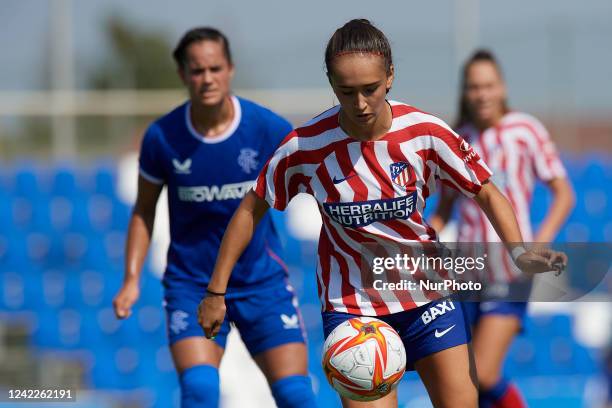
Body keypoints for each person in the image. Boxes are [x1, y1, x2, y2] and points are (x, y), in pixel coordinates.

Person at [199, 20, 567, 408]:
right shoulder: (305, 147)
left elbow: (486, 191)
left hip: (429, 295)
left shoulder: (426, 133)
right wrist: (215, 291)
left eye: (370, 89)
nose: (360, 104)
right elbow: (249, 209)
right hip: (353, 312)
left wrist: (517, 250)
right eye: (347, 91)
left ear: (390, 76)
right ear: (331, 83)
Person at [112, 27, 317, 408]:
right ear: (183, 75)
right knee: (201, 391)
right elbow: (143, 209)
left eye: (215, 68)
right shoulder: (162, 138)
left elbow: (316, 183)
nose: (207, 78)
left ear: (230, 69)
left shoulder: (266, 128)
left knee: (296, 394)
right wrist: (131, 279)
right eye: (197, 70)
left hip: (262, 283)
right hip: (191, 285)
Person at [429, 50, 575, 407]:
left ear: (502, 88)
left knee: (485, 373)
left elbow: (564, 193)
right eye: (474, 87)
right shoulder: (456, 140)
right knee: (464, 382)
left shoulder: (525, 131)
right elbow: (445, 208)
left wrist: (536, 245)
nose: (482, 94)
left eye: (488, 86)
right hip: (467, 273)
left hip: (509, 272)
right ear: (465, 92)